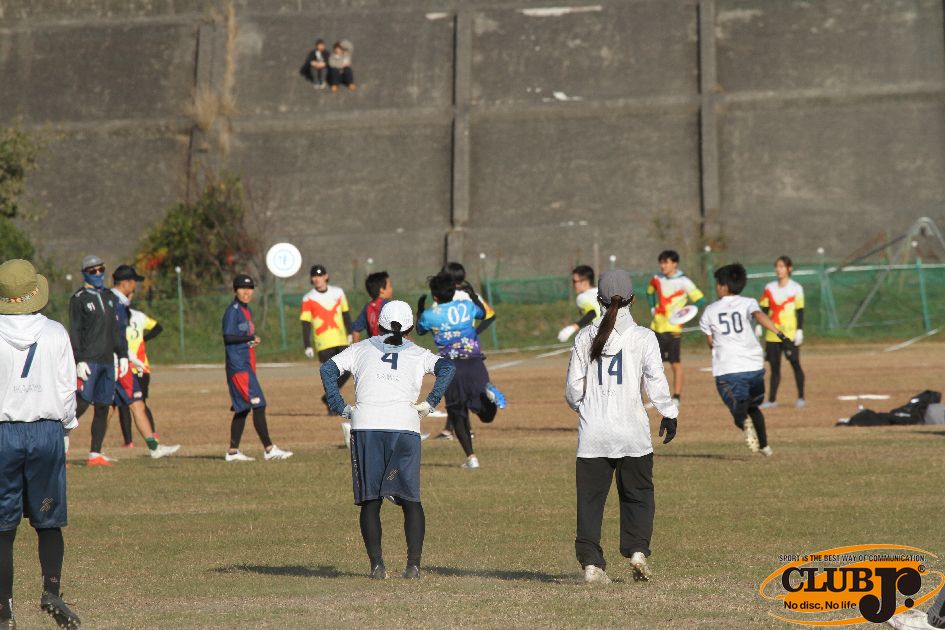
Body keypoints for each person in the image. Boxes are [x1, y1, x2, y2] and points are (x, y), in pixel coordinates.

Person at [320, 301, 455, 580]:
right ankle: (413, 566)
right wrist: (430, 402)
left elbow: (327, 370)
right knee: (410, 499)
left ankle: (377, 567)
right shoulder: (418, 353)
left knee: (371, 501)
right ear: (410, 328)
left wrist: (339, 405)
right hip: (405, 427)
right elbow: (447, 368)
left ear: (378, 325)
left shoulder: (360, 348)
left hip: (366, 427)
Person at [565, 269, 678, 585]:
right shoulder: (644, 336)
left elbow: (573, 389)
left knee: (590, 502)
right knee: (638, 495)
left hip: (594, 434)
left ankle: (591, 565)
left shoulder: (584, 336)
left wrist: (585, 409)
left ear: (598, 299)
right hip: (633, 432)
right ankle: (637, 551)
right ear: (633, 299)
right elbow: (656, 380)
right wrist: (669, 413)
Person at [0, 259, 82, 628]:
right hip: (46, 432)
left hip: (3, 434)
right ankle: (52, 591)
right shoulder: (54, 332)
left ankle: (4, 610)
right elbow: (67, 390)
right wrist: (66, 429)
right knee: (48, 521)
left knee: (3, 528)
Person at [699, 263, 793, 457]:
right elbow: (759, 316)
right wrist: (781, 335)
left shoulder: (710, 310)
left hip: (728, 369)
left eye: (718, 284)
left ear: (724, 286)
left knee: (738, 410)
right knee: (753, 407)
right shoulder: (749, 302)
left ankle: (743, 422)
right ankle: (765, 446)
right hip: (754, 366)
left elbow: (711, 343)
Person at [416, 272, 500, 468]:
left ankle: (471, 458)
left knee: (456, 412)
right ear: (454, 291)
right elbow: (483, 314)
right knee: (486, 416)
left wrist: (420, 310)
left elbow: (420, 330)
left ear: (434, 296)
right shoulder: (466, 306)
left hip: (450, 368)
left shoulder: (430, 315)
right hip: (474, 362)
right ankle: (489, 399)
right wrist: (473, 296)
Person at [109, 265, 179, 460]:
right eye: (134, 283)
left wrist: (133, 354)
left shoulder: (126, 308)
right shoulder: (113, 303)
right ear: (125, 283)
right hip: (116, 364)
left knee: (131, 404)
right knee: (107, 407)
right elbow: (113, 335)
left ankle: (153, 447)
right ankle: (83, 449)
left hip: (126, 363)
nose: (135, 287)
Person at [223, 274, 292, 462]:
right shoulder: (233, 311)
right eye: (242, 288)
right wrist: (249, 338)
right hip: (239, 367)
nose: (246, 292)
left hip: (245, 365)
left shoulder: (247, 310)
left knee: (243, 408)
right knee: (259, 404)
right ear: (235, 290)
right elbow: (228, 337)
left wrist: (249, 342)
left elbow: (240, 338)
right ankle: (269, 449)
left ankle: (233, 452)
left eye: (250, 288)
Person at [434, 262, 504, 438]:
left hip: (451, 350)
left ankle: (457, 430)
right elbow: (490, 315)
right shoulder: (472, 296)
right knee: (465, 390)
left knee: (454, 391)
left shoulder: (444, 297)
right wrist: (475, 332)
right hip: (470, 349)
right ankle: (455, 429)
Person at [300, 264, 354, 444]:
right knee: (330, 374)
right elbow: (305, 323)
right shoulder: (308, 298)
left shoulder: (338, 292)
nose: (317, 278)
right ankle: (331, 402)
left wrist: (349, 332)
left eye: (320, 275)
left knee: (348, 370)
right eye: (314, 276)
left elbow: (345, 313)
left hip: (341, 339)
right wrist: (307, 344)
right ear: (312, 279)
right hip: (323, 342)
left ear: (326, 276)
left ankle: (328, 397)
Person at [647, 250, 706, 404]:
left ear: (675, 264)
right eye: (661, 262)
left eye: (666, 262)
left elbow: (700, 300)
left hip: (674, 329)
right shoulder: (656, 278)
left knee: (675, 363)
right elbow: (649, 292)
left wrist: (687, 312)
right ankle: (656, 396)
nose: (663, 266)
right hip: (657, 327)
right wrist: (652, 307)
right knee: (652, 364)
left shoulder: (684, 282)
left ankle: (677, 397)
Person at [757, 256, 806, 409]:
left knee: (795, 364)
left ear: (789, 269)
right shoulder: (769, 287)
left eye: (782, 266)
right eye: (777, 266)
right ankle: (772, 400)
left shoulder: (796, 288)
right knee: (774, 368)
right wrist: (759, 325)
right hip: (772, 334)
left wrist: (799, 330)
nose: (778, 269)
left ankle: (801, 397)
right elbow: (764, 309)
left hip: (789, 334)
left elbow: (800, 311)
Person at [118, 305, 163, 447]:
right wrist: (144, 339)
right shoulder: (140, 316)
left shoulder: (115, 315)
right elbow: (158, 328)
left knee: (123, 405)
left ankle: (128, 442)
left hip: (125, 366)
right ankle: (153, 434)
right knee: (141, 403)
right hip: (142, 366)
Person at [558, 265, 601, 343]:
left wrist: (572, 328)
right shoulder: (602, 291)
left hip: (600, 337)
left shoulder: (582, 297)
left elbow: (592, 313)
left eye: (574, 281)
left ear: (584, 282)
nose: (573, 284)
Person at [350, 271, 392, 343]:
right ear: (382, 290)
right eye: (390, 286)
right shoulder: (390, 306)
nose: (391, 289)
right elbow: (402, 332)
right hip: (388, 348)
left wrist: (357, 348)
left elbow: (355, 330)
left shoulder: (368, 307)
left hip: (372, 348)